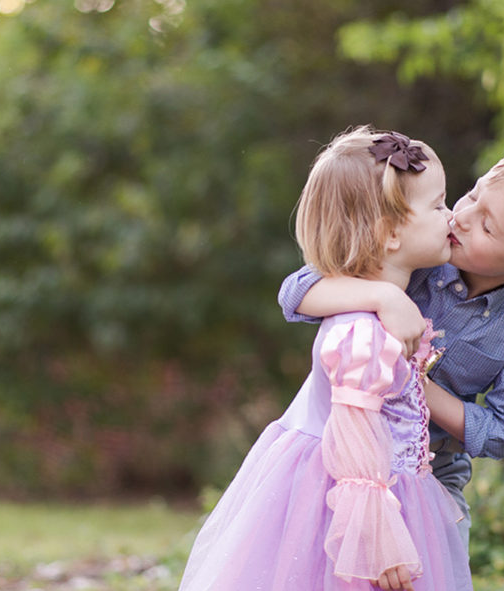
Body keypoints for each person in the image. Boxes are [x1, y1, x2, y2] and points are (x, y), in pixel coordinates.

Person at [179, 126, 473, 591]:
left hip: (386, 490)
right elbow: (356, 435)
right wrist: (377, 537)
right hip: (355, 503)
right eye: (438, 206)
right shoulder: (364, 331)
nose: (451, 216)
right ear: (390, 233)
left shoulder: (378, 309)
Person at [278, 147, 504, 549]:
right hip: (346, 447)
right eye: (473, 195)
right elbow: (295, 292)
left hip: (432, 470)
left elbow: (503, 432)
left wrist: (414, 385)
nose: (462, 217)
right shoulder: (421, 253)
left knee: (429, 567)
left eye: (487, 227)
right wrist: (386, 298)